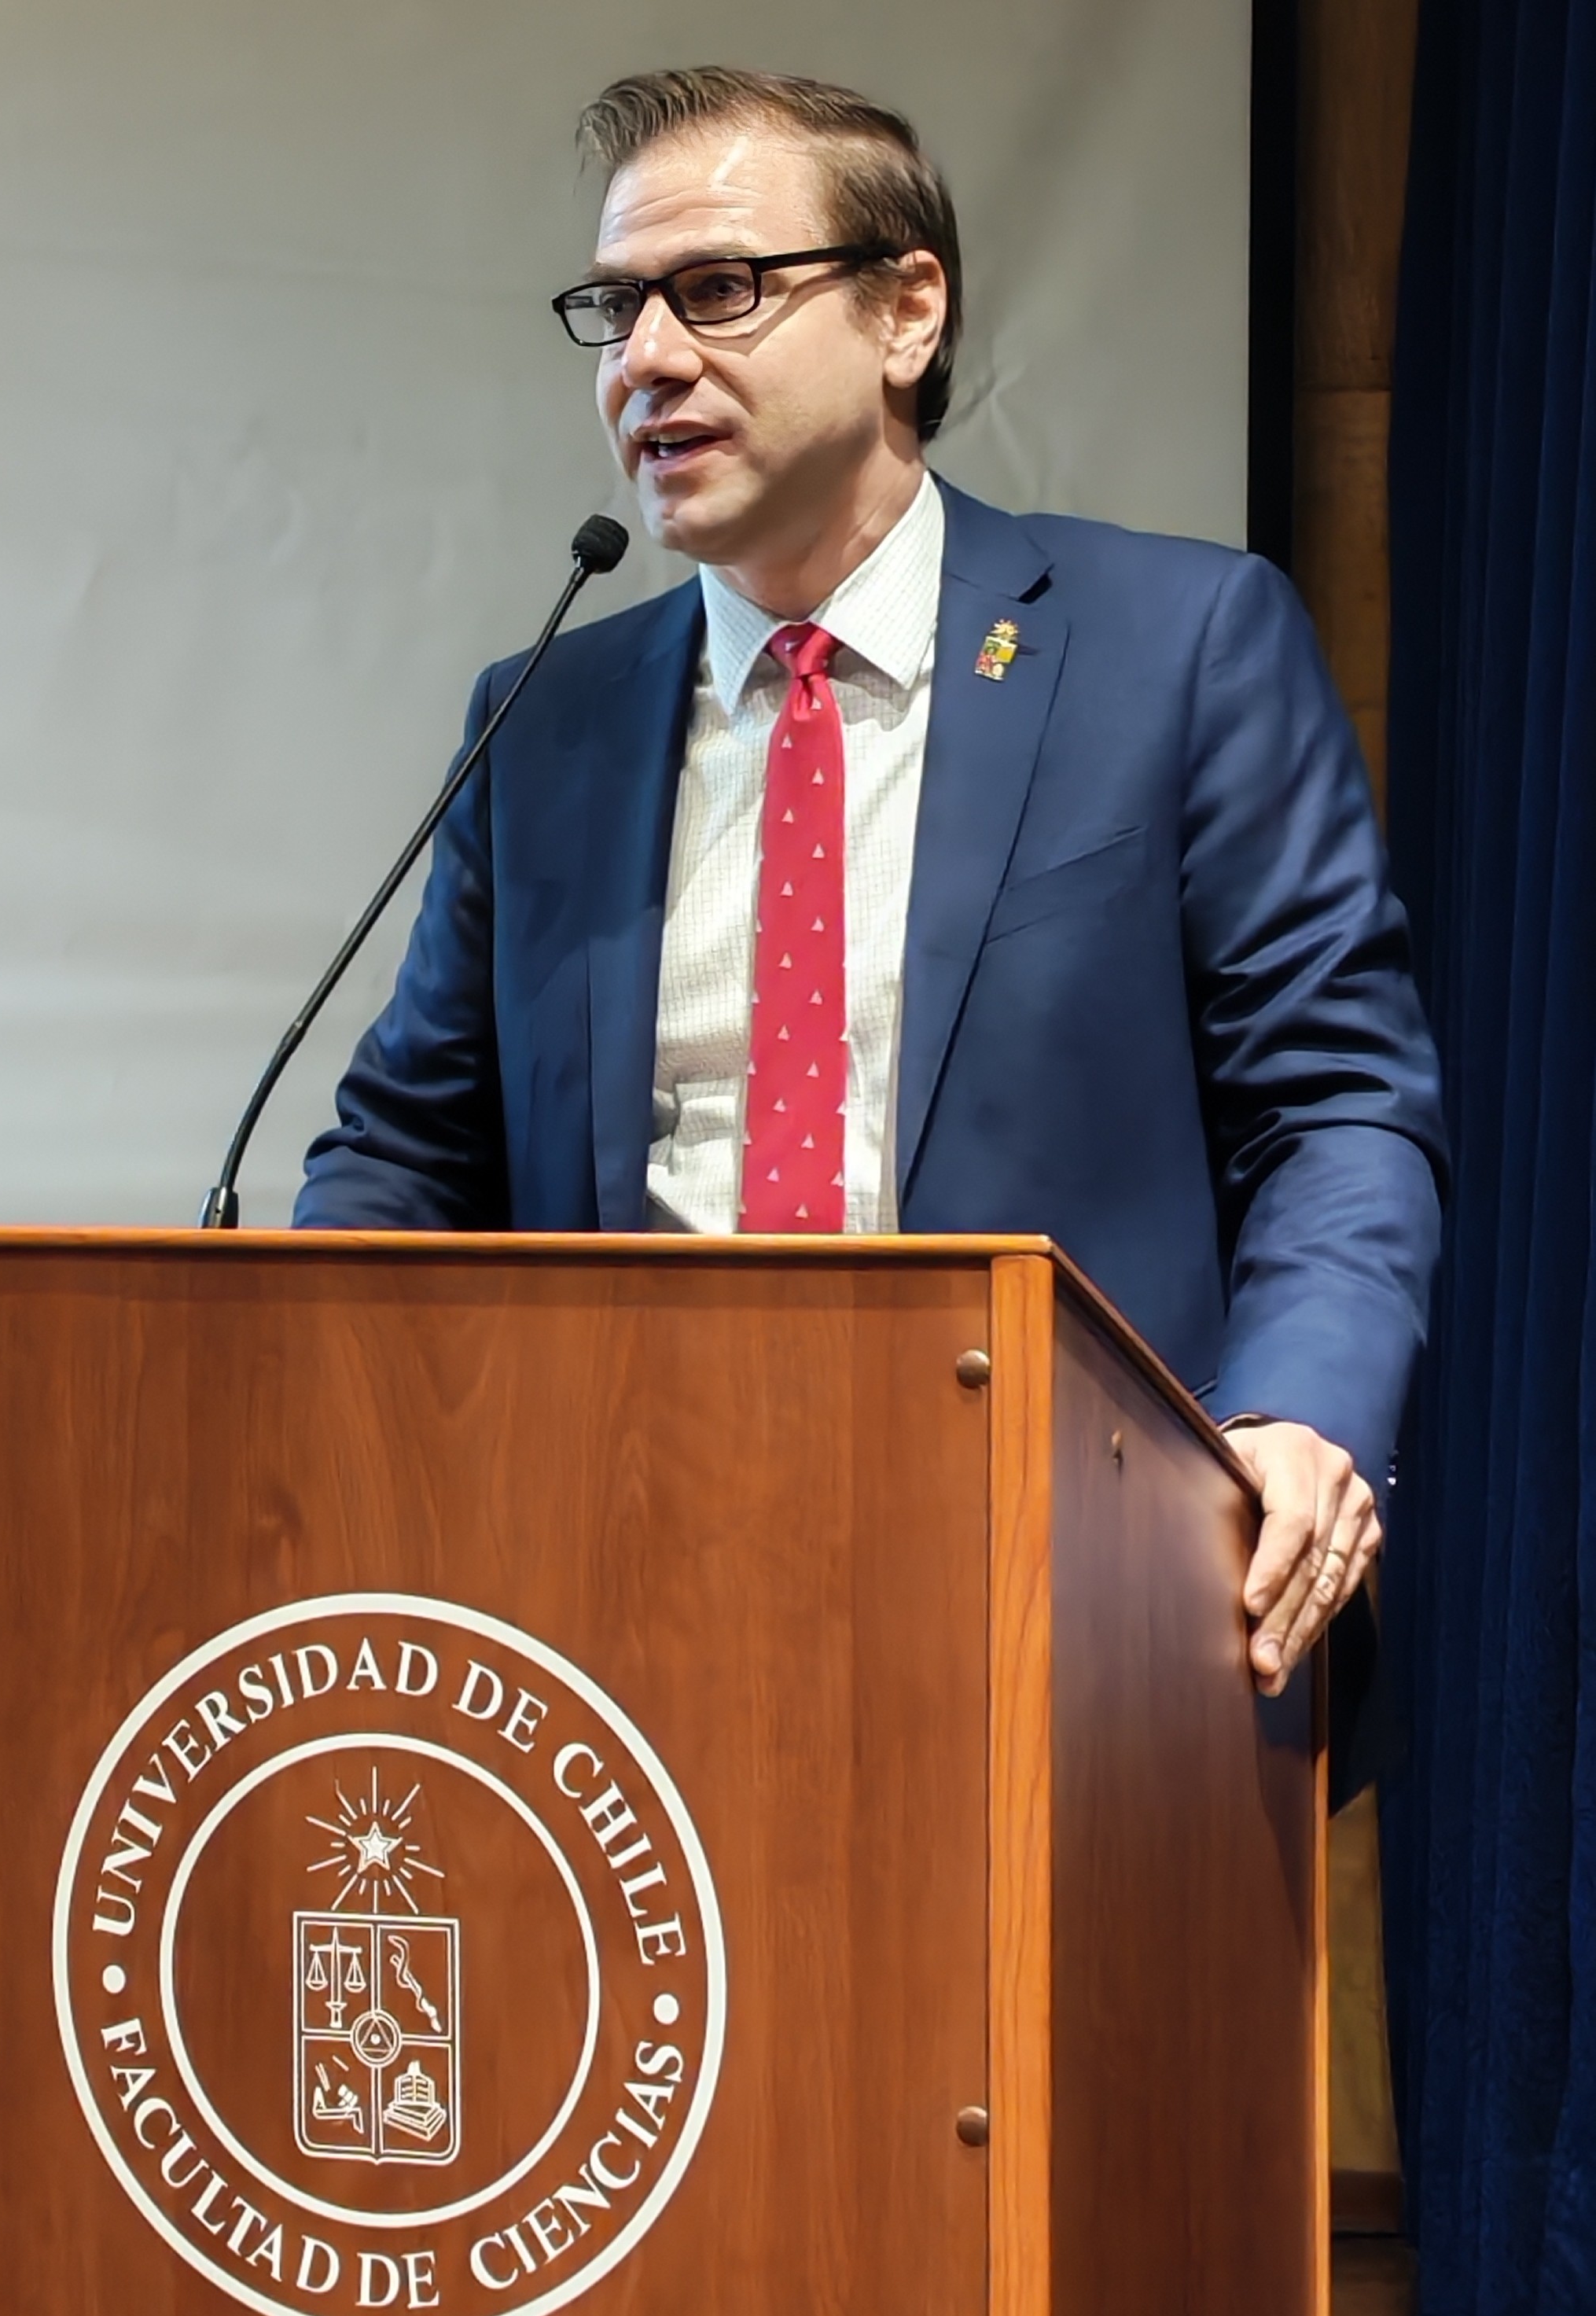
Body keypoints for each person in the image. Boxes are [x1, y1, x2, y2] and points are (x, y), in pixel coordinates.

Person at [294, 67, 1446, 1751]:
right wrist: (301, 1411)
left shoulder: (1176, 649)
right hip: (620, 1603)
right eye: (615, 308)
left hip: (1082, 1597)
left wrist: (1297, 1413)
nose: (644, 359)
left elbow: (1333, 1100)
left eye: (716, 289)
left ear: (909, 311)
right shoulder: (546, 722)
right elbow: (406, 1153)